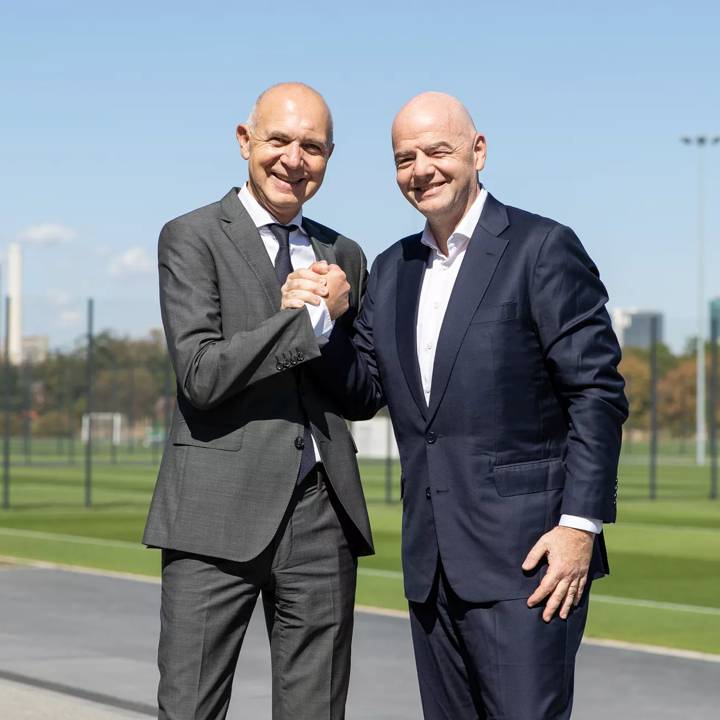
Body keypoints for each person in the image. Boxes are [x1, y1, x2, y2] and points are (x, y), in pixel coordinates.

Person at [281, 92, 628, 719]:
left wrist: (580, 527)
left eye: (437, 151)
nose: (421, 170)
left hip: (531, 563)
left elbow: (597, 393)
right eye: (403, 158)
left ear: (478, 151)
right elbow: (364, 392)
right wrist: (325, 323)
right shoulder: (390, 270)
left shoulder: (542, 248)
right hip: (432, 565)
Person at [143, 82, 374, 720]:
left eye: (313, 147)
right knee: (190, 708)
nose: (293, 159)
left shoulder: (343, 255)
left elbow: (361, 396)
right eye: (279, 140)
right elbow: (201, 375)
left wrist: (331, 327)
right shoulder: (190, 237)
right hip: (212, 517)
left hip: (323, 517)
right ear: (245, 141)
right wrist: (305, 321)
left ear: (329, 157)